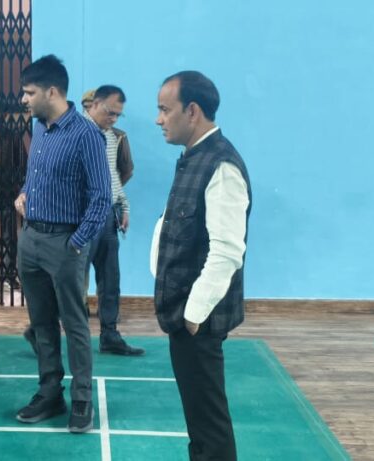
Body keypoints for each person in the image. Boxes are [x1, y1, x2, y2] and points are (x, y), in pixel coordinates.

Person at [152, 70, 251, 460]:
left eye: (165, 109)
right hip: (183, 314)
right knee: (200, 421)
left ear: (191, 111)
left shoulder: (221, 165)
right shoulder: (193, 158)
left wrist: (193, 315)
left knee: (209, 426)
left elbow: (226, 252)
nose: (159, 119)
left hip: (198, 321)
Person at [13, 55, 110, 433]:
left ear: (52, 92)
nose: (24, 99)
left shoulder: (86, 135)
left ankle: (82, 398)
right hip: (30, 239)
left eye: (29, 92)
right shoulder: (40, 129)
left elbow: (101, 198)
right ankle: (50, 392)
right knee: (41, 323)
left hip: (65, 243)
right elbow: (34, 176)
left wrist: (77, 243)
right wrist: (24, 194)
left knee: (74, 323)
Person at [82, 85, 143, 356]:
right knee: (72, 281)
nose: (114, 119)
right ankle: (41, 332)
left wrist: (123, 206)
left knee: (110, 280)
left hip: (108, 217)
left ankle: (110, 335)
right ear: (93, 104)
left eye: (118, 115)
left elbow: (113, 177)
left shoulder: (111, 136)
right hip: (82, 218)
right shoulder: (75, 133)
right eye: (110, 112)